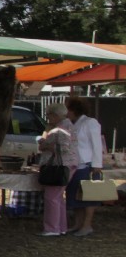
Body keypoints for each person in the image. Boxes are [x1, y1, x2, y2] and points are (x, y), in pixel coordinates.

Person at [37, 103, 78, 236]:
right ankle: (61, 227)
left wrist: (45, 145)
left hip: (58, 166)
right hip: (67, 164)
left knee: (51, 197)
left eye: (48, 115)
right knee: (58, 197)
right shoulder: (66, 125)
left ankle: (52, 228)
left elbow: (63, 148)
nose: (48, 118)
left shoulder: (61, 128)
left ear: (55, 115)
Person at [65, 96, 104, 237]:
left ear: (74, 109)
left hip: (88, 165)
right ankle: (78, 223)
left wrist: (97, 165)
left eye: (67, 109)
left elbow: (97, 144)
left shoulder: (90, 122)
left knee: (88, 196)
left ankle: (87, 225)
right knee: (75, 196)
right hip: (75, 165)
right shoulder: (72, 124)